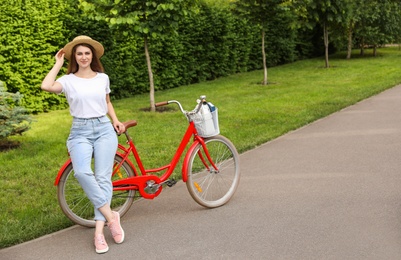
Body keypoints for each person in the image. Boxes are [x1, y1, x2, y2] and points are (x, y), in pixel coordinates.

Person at [41, 35, 126, 254]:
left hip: (104, 129)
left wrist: (115, 120)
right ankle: (111, 215)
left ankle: (99, 234)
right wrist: (58, 63)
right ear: (74, 57)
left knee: (102, 178)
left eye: (87, 53)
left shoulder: (102, 78)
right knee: (81, 172)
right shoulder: (68, 80)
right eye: (79, 53)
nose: (84, 57)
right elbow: (46, 85)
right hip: (79, 131)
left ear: (93, 55)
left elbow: (107, 102)